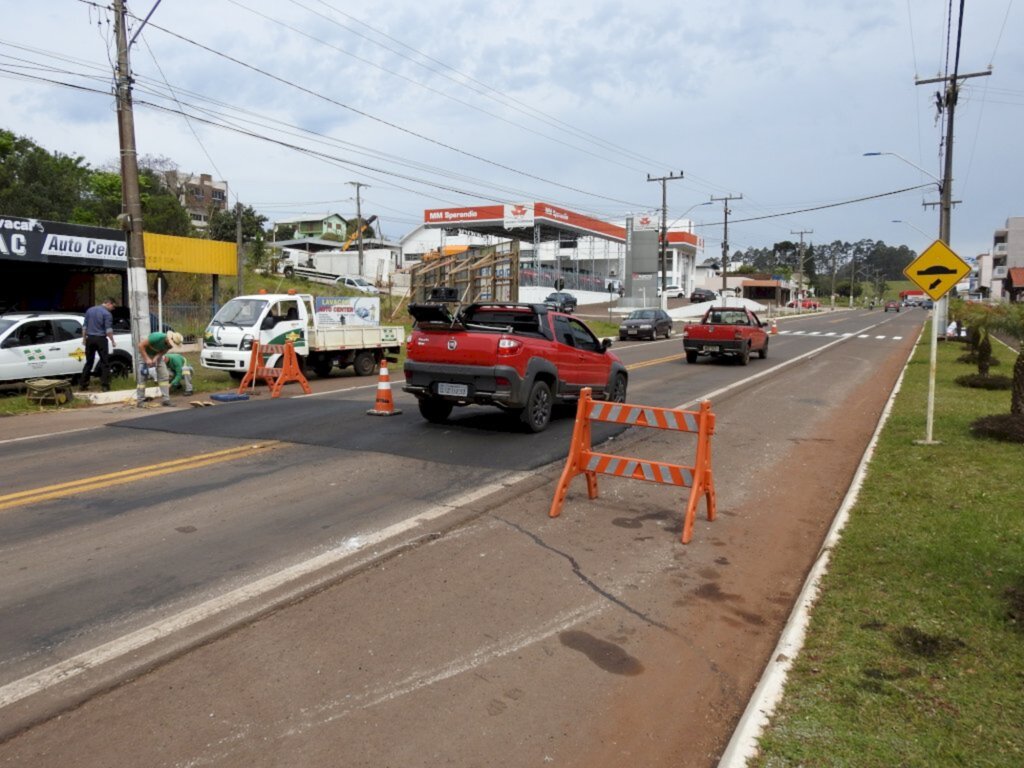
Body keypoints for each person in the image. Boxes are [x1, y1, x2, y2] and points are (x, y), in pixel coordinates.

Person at [136, 330, 184, 407]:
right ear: (169, 339)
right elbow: (140, 346)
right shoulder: (157, 337)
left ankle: (166, 400)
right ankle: (140, 401)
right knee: (142, 377)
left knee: (164, 375)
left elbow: (163, 352)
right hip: (145, 354)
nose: (171, 346)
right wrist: (147, 359)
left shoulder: (169, 345)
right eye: (172, 343)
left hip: (157, 356)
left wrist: (155, 358)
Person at [80, 297, 117, 391]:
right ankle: (105, 385)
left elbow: (84, 327)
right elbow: (108, 330)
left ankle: (83, 384)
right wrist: (112, 341)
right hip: (101, 339)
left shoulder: (90, 310)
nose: (113, 309)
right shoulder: (107, 314)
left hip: (90, 339)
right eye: (113, 306)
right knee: (105, 362)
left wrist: (84, 339)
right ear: (109, 303)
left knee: (89, 362)